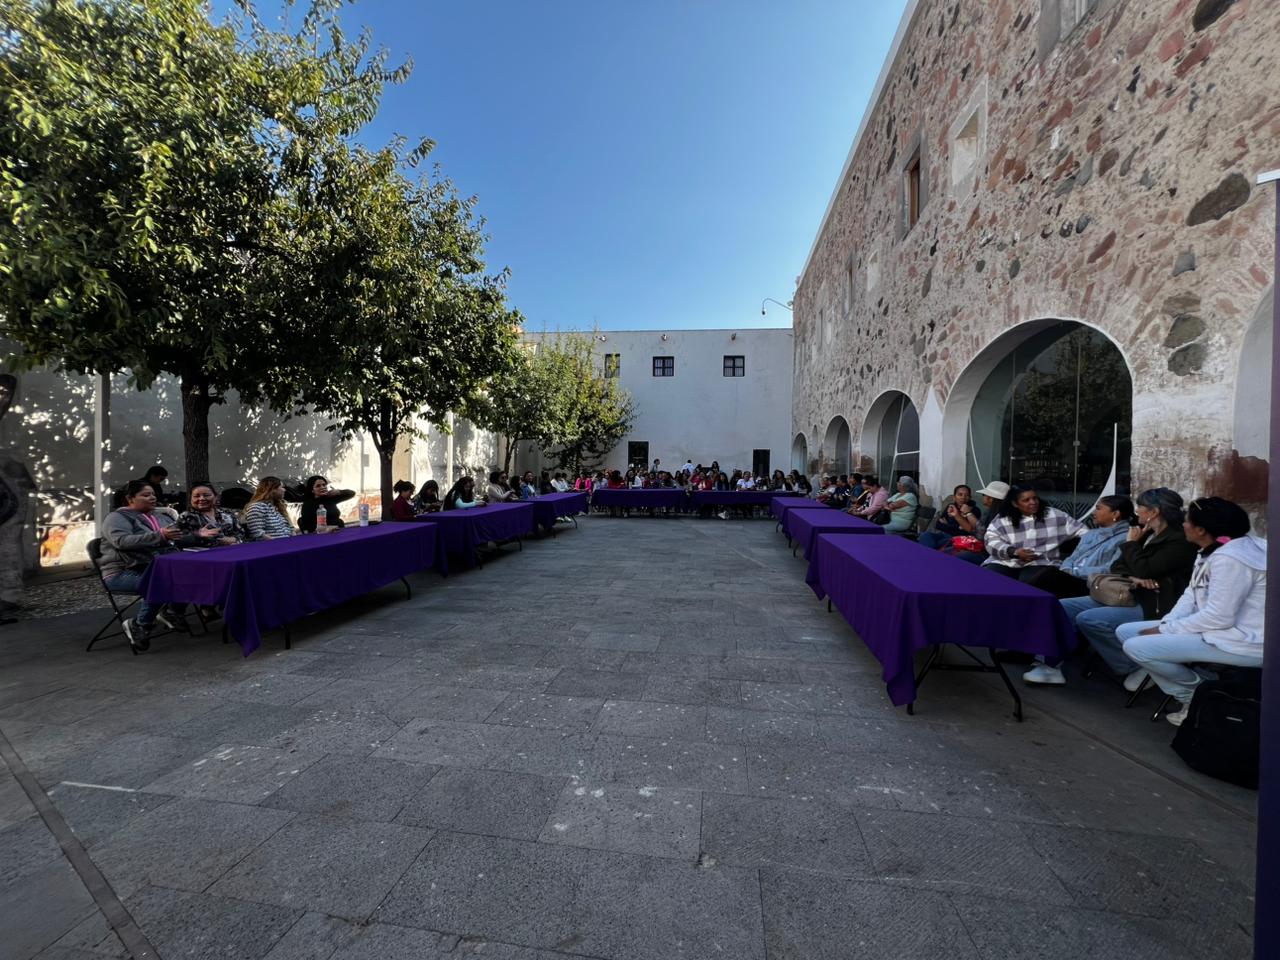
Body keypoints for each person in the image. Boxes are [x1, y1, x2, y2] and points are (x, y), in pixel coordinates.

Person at [1024, 488, 1198, 686]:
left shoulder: (1178, 540)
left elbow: (1146, 568)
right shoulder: (1147, 532)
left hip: (1154, 602)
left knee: (1089, 619)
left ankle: (1139, 664)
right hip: (1127, 592)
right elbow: (1119, 566)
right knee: (1061, 607)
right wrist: (1134, 575)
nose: (1137, 512)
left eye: (1140, 507)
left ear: (1154, 512)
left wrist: (1132, 545)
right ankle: (1050, 665)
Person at [1119, 497, 1264, 726]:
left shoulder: (1232, 558)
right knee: (1127, 632)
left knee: (1136, 646)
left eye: (1187, 521)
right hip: (1216, 631)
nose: (1183, 525)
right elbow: (1191, 594)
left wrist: (1167, 629)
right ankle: (1190, 684)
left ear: (1201, 530)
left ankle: (1195, 696)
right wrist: (1166, 625)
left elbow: (1219, 617)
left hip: (1243, 642)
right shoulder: (1214, 548)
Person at [101, 480, 211, 650]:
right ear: (130, 498)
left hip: (152, 568)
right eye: (146, 495)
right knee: (163, 581)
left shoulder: (156, 516)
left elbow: (174, 540)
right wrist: (160, 535)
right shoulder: (116, 518)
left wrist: (198, 535)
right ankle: (139, 624)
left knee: (191, 574)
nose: (152, 497)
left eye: (153, 494)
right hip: (122, 572)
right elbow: (121, 541)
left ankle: (172, 612)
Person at [983, 485, 1084, 581]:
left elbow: (1083, 531)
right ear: (1015, 503)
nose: (1033, 502)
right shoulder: (1003, 518)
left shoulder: (1054, 515)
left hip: (1040, 562)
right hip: (1005, 561)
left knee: (1029, 584)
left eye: (1035, 498)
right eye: (1026, 500)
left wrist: (1084, 555)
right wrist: (1013, 552)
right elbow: (990, 540)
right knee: (989, 578)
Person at [178, 482, 246, 544]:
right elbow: (176, 540)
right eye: (196, 496)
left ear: (216, 497)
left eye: (206, 495)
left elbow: (242, 534)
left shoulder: (227, 513)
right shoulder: (185, 516)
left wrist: (233, 540)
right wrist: (198, 534)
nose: (201, 498)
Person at [918, 484, 982, 550]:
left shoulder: (974, 511)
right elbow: (938, 525)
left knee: (935, 545)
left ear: (970, 498)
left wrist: (947, 525)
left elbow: (967, 531)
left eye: (967, 495)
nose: (963, 497)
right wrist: (958, 527)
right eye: (960, 495)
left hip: (959, 539)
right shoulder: (951, 506)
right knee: (925, 535)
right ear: (954, 497)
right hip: (944, 535)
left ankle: (927, 557)